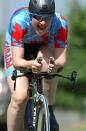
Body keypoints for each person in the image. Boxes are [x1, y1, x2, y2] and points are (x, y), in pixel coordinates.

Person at [4, 0, 68, 131]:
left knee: (48, 65)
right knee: (19, 97)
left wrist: (54, 66)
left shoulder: (60, 23)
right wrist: (30, 64)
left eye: (47, 18)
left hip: (44, 47)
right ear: (30, 15)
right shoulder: (19, 22)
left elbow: (62, 58)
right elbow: (17, 61)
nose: (43, 22)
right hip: (20, 50)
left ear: (53, 16)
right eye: (38, 17)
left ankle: (49, 110)